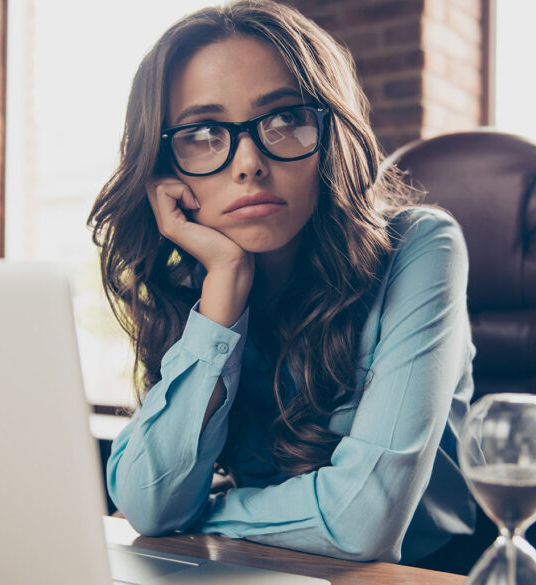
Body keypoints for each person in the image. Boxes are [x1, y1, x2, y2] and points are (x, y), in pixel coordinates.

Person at [87, 0, 475, 564]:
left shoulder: (422, 246)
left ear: (330, 135)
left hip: (423, 576)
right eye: (202, 132)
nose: (248, 162)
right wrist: (223, 287)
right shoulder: (195, 279)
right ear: (164, 168)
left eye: (285, 119)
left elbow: (363, 522)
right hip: (269, 569)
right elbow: (149, 502)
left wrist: (203, 513)